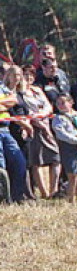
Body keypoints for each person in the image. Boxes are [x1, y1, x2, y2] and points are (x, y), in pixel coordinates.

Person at [13, 65, 61, 198]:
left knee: (55, 157)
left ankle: (54, 190)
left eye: (31, 75)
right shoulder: (18, 93)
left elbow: (48, 107)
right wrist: (38, 121)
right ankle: (44, 192)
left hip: (46, 125)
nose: (28, 78)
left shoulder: (37, 90)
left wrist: (41, 114)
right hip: (33, 129)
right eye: (26, 75)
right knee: (37, 161)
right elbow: (27, 112)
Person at [51, 93, 77, 204]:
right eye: (58, 103)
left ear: (71, 102)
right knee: (72, 175)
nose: (61, 105)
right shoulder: (58, 119)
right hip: (68, 147)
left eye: (63, 102)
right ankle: (71, 201)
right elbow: (62, 134)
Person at [0, 75, 30, 203]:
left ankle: (18, 197)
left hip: (5, 130)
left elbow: (14, 98)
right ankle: (3, 199)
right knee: (1, 167)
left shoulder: (2, 88)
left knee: (19, 162)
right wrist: (4, 104)